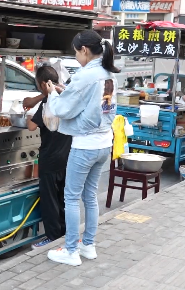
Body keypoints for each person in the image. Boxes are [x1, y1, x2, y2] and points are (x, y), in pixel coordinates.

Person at [43, 30, 119, 266]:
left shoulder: (85, 75)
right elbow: (94, 104)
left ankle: (71, 250)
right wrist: (64, 93)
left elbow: (64, 110)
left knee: (72, 197)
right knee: (90, 195)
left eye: (76, 52)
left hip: (85, 145)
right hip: (104, 142)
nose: (76, 57)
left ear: (84, 50)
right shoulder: (108, 73)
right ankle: (88, 246)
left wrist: (52, 95)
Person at [22, 65, 72, 249]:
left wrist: (28, 115)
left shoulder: (48, 103)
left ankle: (52, 237)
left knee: (50, 200)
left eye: (38, 85)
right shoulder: (66, 97)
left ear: (44, 84)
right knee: (62, 198)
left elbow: (31, 126)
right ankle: (64, 232)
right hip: (66, 157)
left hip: (50, 158)